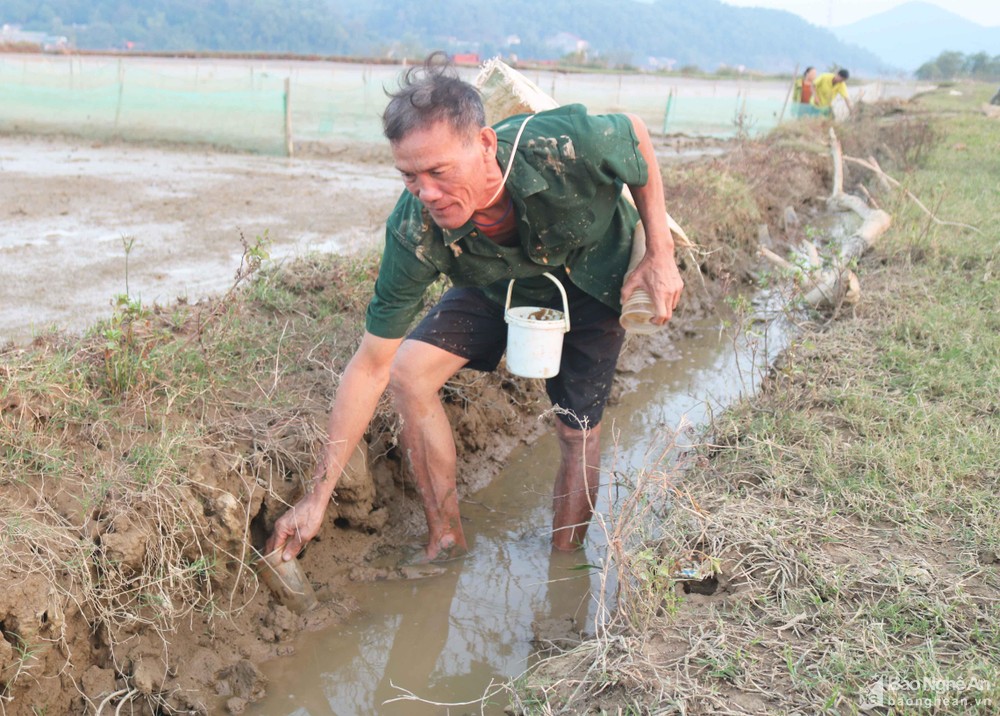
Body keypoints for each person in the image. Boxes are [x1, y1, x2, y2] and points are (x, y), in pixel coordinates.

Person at [266, 52, 684, 565]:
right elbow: (371, 364)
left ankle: (564, 558)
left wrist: (660, 254)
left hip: (591, 278)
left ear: (485, 144)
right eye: (409, 177)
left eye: (439, 171)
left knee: (577, 429)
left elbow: (635, 135)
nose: (428, 193)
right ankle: (445, 538)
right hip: (495, 283)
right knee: (407, 373)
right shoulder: (416, 230)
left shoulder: (560, 146)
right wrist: (316, 499)